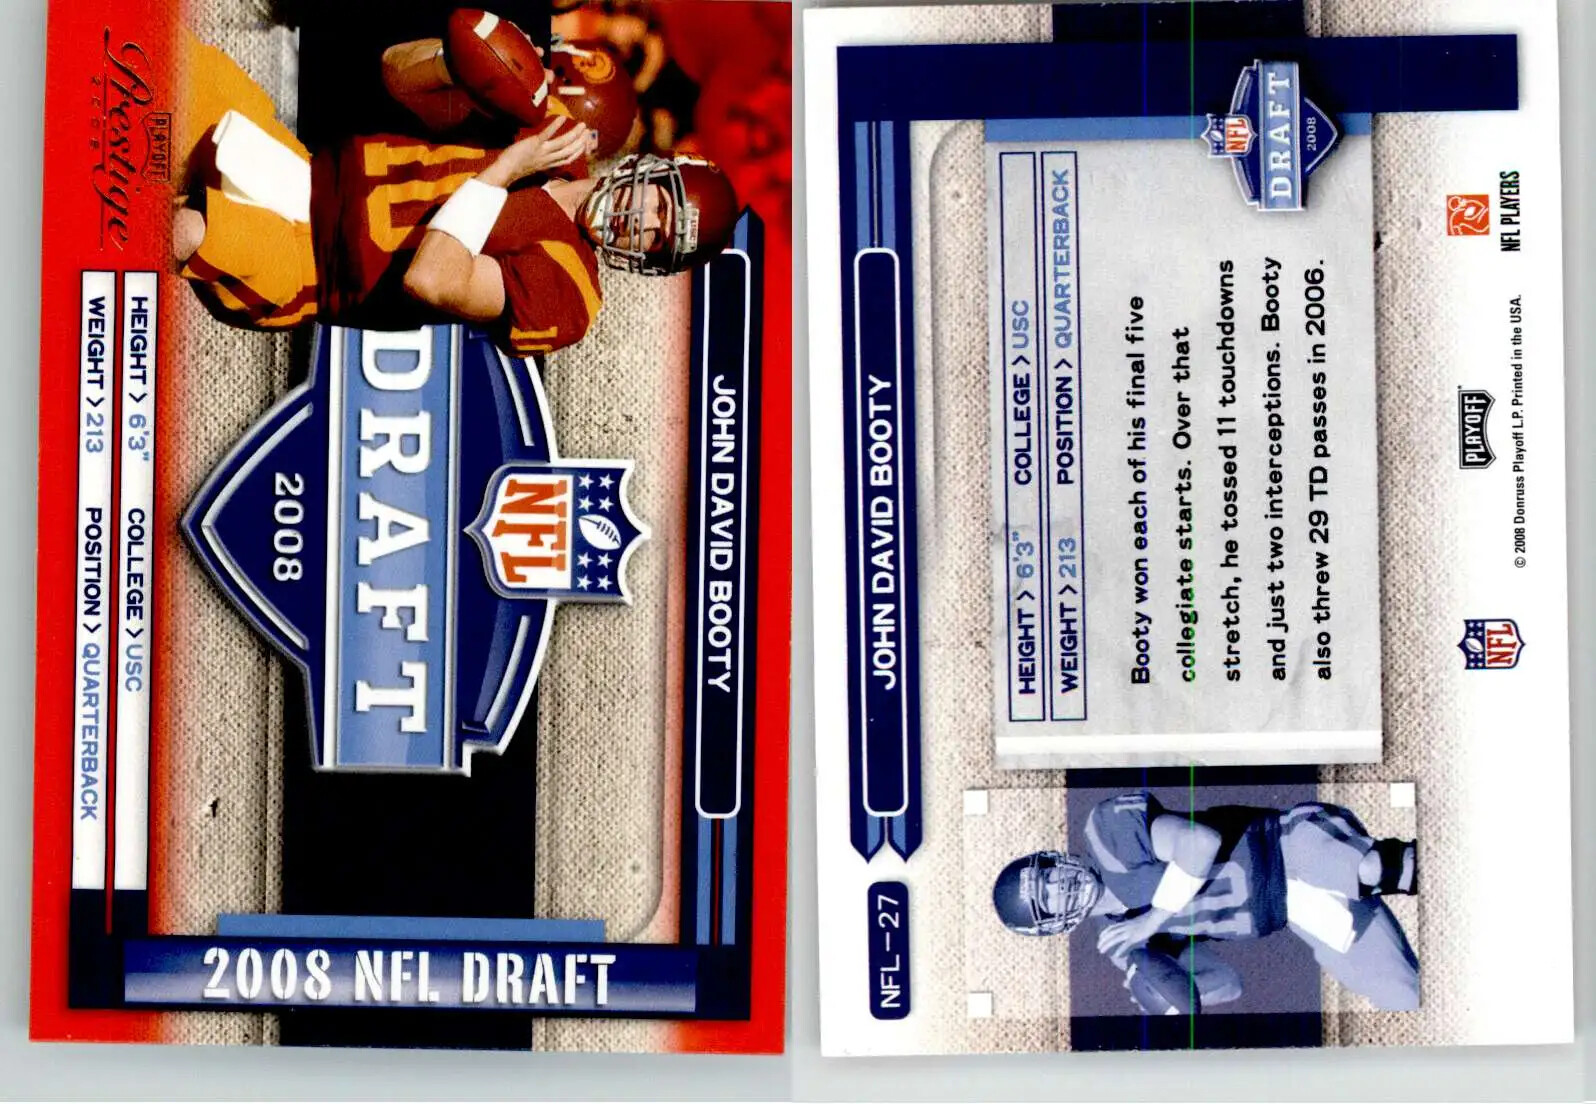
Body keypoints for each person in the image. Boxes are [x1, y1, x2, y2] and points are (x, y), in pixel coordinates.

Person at [171, 32, 738, 357]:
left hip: (308, 266)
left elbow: (432, 278)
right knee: (174, 62)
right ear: (651, 170)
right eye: (659, 205)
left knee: (189, 228)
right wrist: (462, 61)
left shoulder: (569, 295)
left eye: (656, 239)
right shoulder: (553, 125)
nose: (641, 223)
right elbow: (395, 73)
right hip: (301, 170)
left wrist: (507, 168)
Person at [992, 791, 1420, 1014]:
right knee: (1404, 996)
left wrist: (1152, 920)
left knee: (1375, 868)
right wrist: (1175, 997)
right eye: (1048, 900)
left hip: (1288, 845)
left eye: (1049, 877)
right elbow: (1229, 983)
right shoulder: (1122, 944)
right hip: (1298, 912)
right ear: (1056, 925)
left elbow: (1201, 842)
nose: (1060, 887)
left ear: (1055, 860)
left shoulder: (1106, 833)